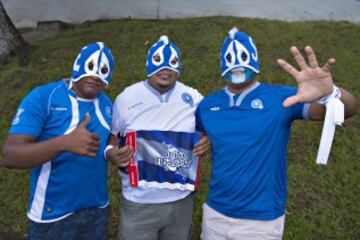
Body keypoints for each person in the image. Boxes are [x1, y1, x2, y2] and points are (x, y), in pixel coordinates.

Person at [196, 27, 358, 240]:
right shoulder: (207, 105)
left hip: (261, 220)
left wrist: (331, 93)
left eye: (243, 56)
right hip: (215, 213)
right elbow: (196, 136)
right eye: (230, 57)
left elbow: (348, 109)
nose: (236, 63)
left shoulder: (282, 98)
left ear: (255, 59)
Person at [2, 42, 115, 240]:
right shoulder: (43, 97)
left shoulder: (107, 104)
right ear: (77, 65)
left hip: (97, 209)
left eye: (103, 70)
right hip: (52, 216)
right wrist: (63, 143)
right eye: (90, 67)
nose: (96, 75)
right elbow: (11, 156)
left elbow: (111, 139)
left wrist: (113, 151)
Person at [105, 35, 210, 240]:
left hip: (180, 201)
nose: (165, 68)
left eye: (171, 63)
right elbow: (113, 137)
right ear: (148, 65)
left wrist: (209, 141)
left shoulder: (194, 98)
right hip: (139, 203)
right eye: (158, 62)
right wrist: (110, 153)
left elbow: (209, 131)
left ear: (178, 67)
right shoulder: (126, 98)